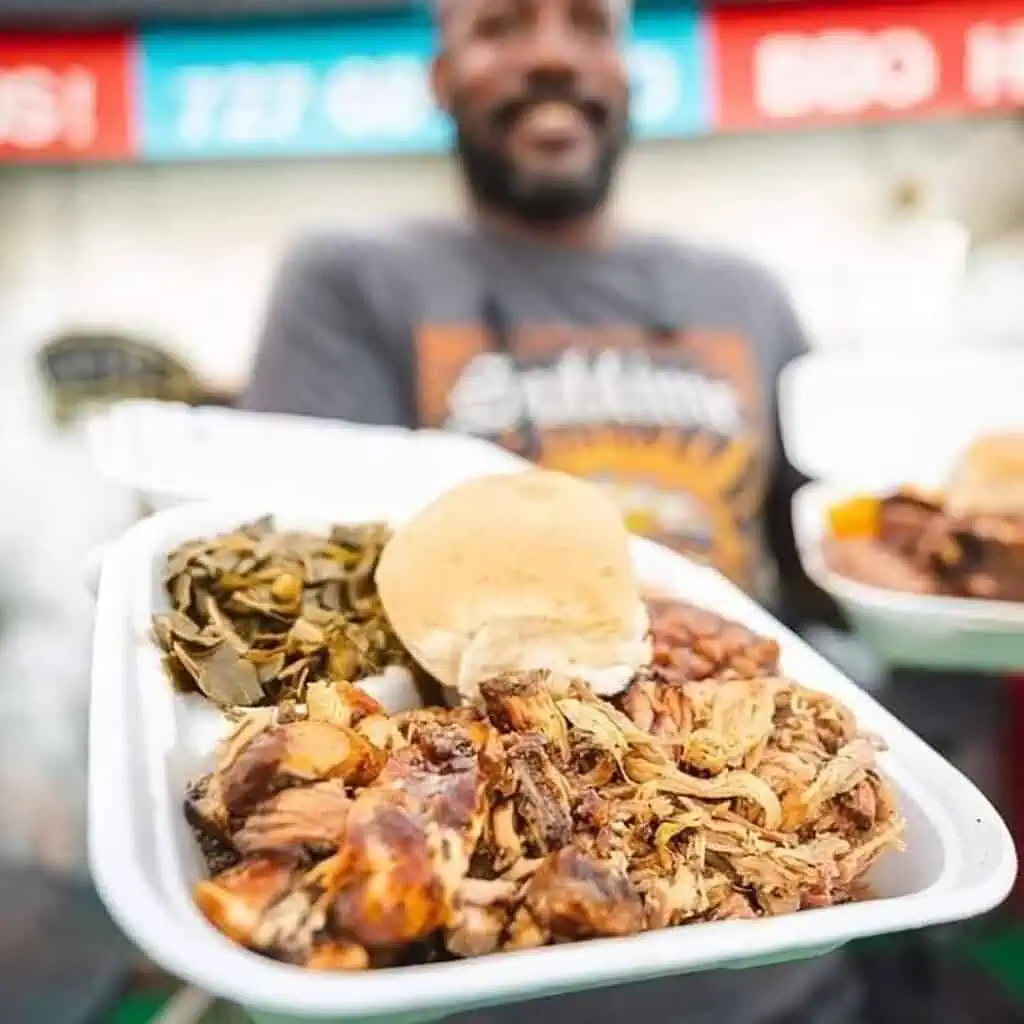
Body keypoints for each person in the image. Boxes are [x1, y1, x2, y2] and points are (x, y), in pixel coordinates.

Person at [243, 0, 861, 1020]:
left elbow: (819, 573)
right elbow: (317, 573)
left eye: (586, 23)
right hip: (482, 958)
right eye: (499, 26)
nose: (548, 54)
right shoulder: (352, 280)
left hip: (777, 945)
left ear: (625, 70)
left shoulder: (746, 294)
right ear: (440, 76)